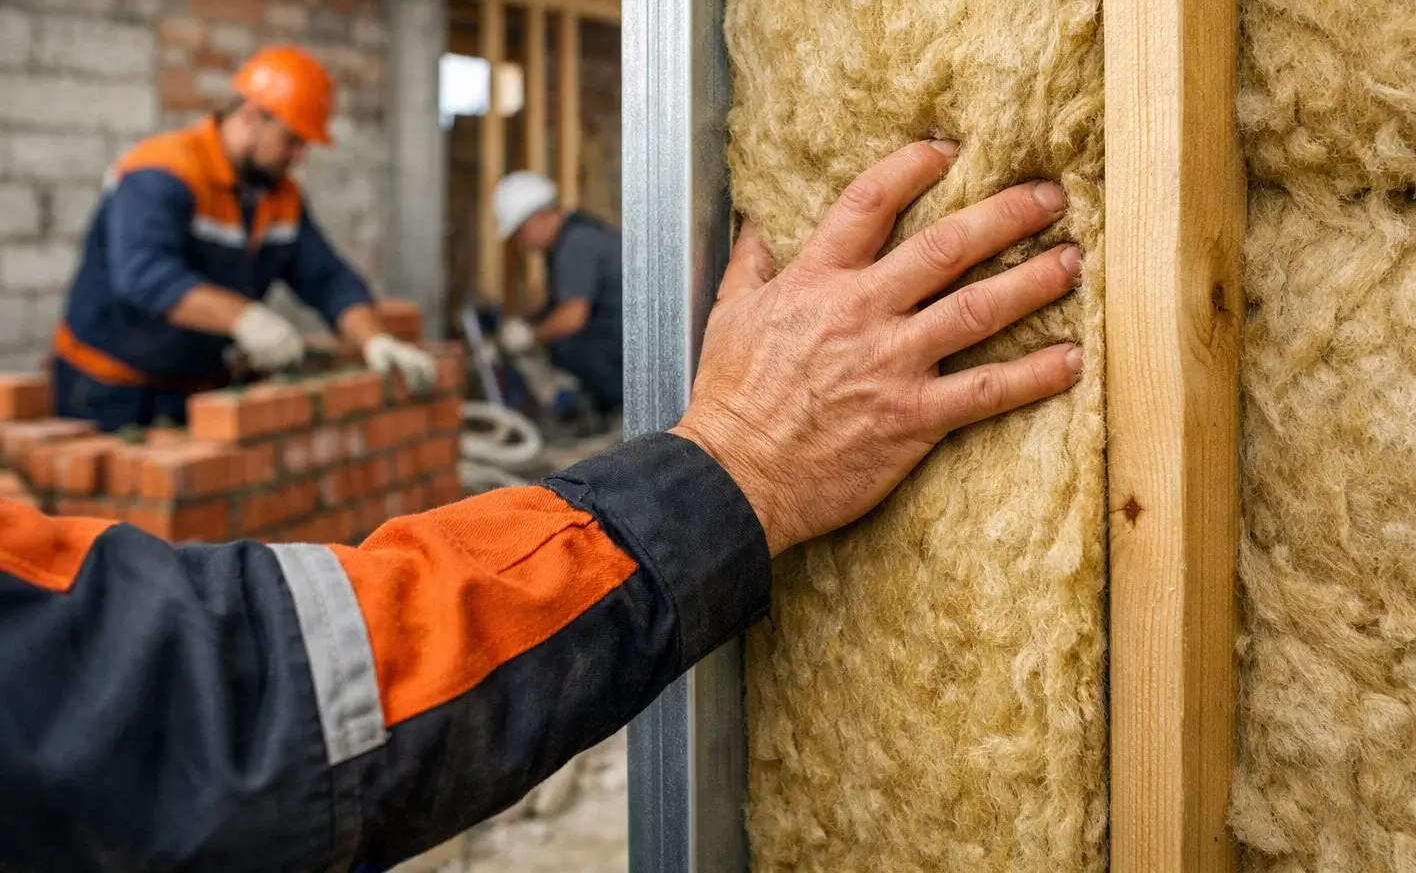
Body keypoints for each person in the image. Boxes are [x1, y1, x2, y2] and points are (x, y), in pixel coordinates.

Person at [0, 140, 1085, 871]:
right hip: (117, 377)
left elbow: (238, 693)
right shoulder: (159, 179)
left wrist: (728, 461)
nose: (292, 159)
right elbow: (230, 712)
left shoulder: (302, 196)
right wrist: (733, 464)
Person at [51, 45, 439, 431]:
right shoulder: (162, 172)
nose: (299, 156)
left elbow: (327, 278)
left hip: (193, 391)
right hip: (104, 387)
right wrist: (246, 320)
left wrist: (374, 341)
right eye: (292, 140)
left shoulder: (278, 196)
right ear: (252, 116)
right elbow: (144, 273)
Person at [493, 170, 623, 414]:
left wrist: (529, 336)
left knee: (563, 347)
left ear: (537, 217)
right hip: (622, 346)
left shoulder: (575, 245)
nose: (521, 242)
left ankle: (585, 411)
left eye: (520, 231)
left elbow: (572, 318)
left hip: (621, 359)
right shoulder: (580, 234)